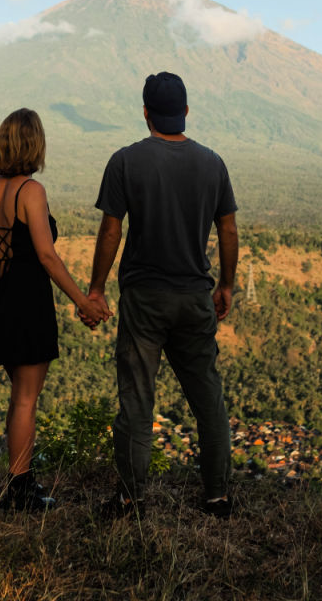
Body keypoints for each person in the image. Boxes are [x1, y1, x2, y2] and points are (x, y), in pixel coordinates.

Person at [85, 72, 239, 518]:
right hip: (195, 297)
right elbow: (227, 228)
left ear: (146, 112)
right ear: (186, 112)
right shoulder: (214, 163)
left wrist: (96, 289)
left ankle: (131, 498)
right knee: (208, 397)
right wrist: (226, 284)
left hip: (145, 299)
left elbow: (111, 229)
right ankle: (217, 496)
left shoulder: (126, 161)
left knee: (137, 398)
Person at [0, 108, 110, 512]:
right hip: (28, 301)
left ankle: (21, 483)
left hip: (1, 296)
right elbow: (47, 256)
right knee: (26, 400)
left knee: (18, 397)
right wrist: (84, 301)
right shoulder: (30, 192)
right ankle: (19, 491)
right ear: (35, 144)